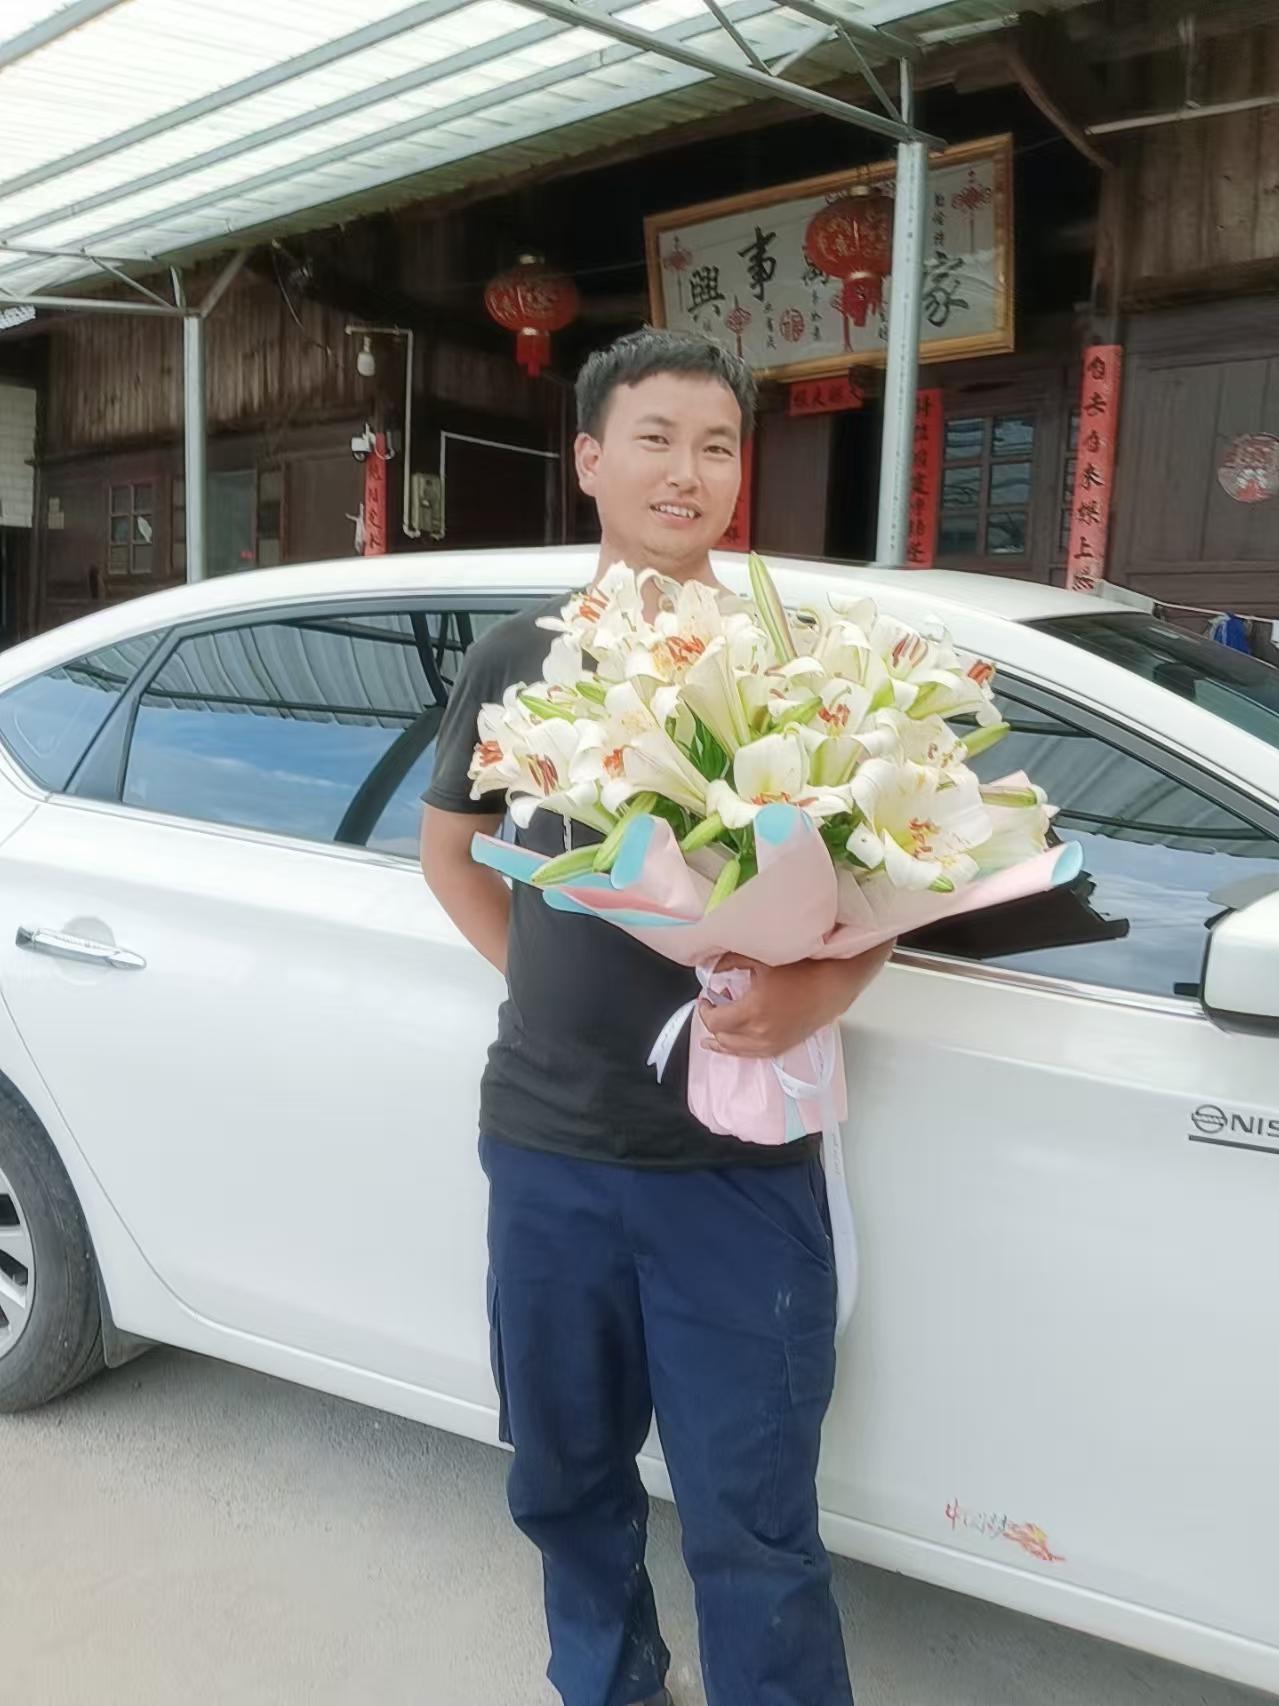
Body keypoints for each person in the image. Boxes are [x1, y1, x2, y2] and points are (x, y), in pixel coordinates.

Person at [420, 327, 890, 1706]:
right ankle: (610, 1683)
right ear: (589, 460)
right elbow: (452, 854)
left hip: (736, 1167)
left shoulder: (795, 665)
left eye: (718, 446)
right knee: (564, 1478)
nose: (689, 472)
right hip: (550, 1148)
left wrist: (815, 989)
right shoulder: (520, 658)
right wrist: (547, 981)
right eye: (656, 439)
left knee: (754, 1516)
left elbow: (878, 889)